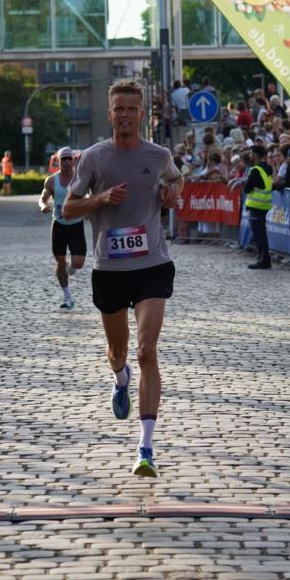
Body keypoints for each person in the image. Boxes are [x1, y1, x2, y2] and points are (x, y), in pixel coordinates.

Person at [62, 80, 183, 479]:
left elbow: (175, 179)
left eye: (132, 109)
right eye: (119, 109)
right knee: (119, 352)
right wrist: (99, 199)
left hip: (152, 265)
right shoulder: (94, 157)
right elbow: (68, 208)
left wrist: (171, 194)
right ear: (109, 113)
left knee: (147, 351)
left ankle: (145, 449)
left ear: (141, 114)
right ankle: (119, 377)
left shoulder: (158, 154)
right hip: (110, 270)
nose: (125, 115)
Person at [39, 147, 86, 310]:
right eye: (63, 159)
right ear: (58, 161)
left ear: (73, 160)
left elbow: (89, 195)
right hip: (59, 225)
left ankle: (71, 266)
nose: (66, 162)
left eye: (68, 159)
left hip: (76, 224)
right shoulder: (51, 181)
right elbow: (43, 198)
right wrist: (43, 206)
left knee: (78, 263)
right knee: (60, 263)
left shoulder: (80, 179)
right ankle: (67, 297)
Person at [243, 144, 273, 270]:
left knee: (259, 235)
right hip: (264, 205)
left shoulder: (256, 170)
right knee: (261, 234)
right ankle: (263, 257)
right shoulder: (267, 168)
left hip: (256, 206)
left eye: (251, 153)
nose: (250, 155)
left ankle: (264, 260)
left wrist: (246, 183)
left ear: (255, 154)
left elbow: (247, 188)